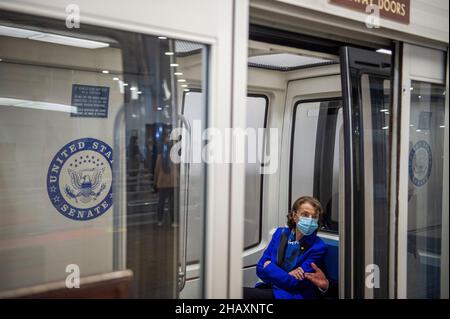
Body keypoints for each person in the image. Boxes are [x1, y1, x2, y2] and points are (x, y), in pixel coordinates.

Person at [243, 196, 327, 299]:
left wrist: (270, 267)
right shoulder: (280, 234)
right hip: (272, 287)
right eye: (305, 215)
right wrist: (286, 274)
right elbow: (260, 269)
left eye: (314, 217)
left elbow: (293, 283)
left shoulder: (318, 247)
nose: (310, 220)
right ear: (294, 216)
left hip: (292, 295)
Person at [154, 133, 179, 227]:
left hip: (162, 183)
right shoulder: (175, 157)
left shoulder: (160, 156)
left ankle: (160, 221)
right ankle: (173, 222)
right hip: (173, 183)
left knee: (161, 203)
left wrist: (155, 183)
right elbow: (177, 170)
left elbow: (156, 170)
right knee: (172, 204)